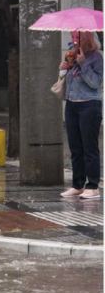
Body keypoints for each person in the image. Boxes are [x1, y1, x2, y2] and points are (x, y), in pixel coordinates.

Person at [60, 31, 103, 199]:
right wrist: (64, 68)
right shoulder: (72, 54)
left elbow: (95, 83)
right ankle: (77, 184)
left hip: (89, 105)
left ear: (88, 38)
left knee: (89, 148)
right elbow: (68, 83)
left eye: (78, 36)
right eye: (73, 36)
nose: (74, 39)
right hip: (72, 104)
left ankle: (93, 186)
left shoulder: (96, 58)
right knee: (75, 147)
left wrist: (83, 64)